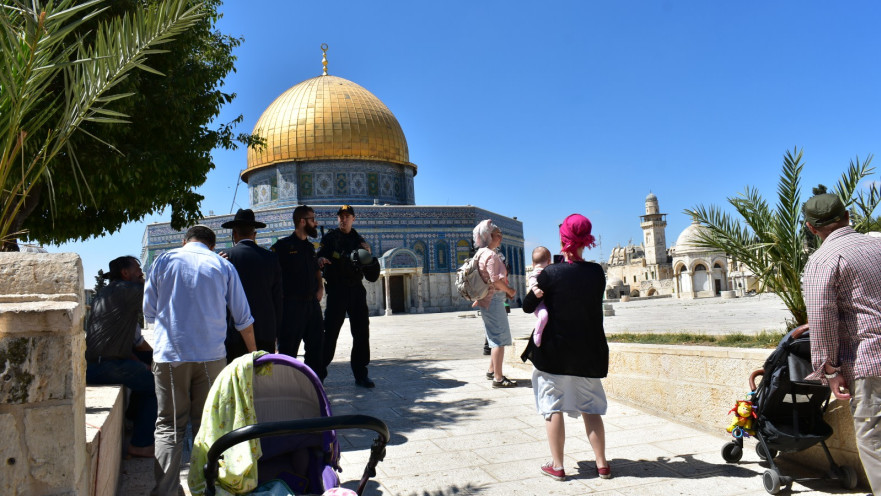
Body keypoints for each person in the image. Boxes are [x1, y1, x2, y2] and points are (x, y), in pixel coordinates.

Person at [143, 225, 257, 496]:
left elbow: (149, 311)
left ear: (185, 241)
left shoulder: (163, 261)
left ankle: (166, 491)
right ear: (212, 245)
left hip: (170, 356)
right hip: (211, 358)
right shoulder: (222, 265)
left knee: (169, 426)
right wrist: (254, 355)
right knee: (208, 424)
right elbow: (243, 318)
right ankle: (205, 488)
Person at [520, 214, 610, 481]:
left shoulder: (550, 274)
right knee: (591, 408)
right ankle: (602, 464)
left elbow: (527, 306)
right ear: (587, 240)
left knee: (553, 406)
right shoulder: (597, 273)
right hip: (588, 352)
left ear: (563, 240)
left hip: (554, 352)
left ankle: (558, 466)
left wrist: (536, 292)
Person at [802, 192, 881, 494]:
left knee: (874, 439)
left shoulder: (823, 260)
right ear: (847, 216)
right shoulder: (877, 245)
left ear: (811, 228)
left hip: (869, 360)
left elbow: (822, 321)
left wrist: (831, 371)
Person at [85, 256, 156, 458]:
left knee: (147, 366)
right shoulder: (128, 290)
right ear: (125, 273)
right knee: (154, 386)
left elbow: (127, 341)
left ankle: (133, 420)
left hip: (95, 365)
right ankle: (141, 444)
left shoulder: (105, 293)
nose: (141, 273)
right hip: (108, 366)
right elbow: (161, 292)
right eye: (138, 269)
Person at [318, 205, 380, 388]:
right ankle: (318, 374)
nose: (343, 219)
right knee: (330, 333)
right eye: (341, 216)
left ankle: (361, 374)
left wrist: (368, 256)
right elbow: (319, 256)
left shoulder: (359, 241)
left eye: (347, 216)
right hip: (337, 290)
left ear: (353, 219)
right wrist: (320, 260)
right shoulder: (329, 238)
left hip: (356, 290)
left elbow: (370, 273)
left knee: (361, 333)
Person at [220, 209, 283, 361]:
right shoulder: (271, 258)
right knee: (262, 372)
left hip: (234, 332)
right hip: (265, 330)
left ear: (234, 234)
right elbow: (278, 299)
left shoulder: (225, 258)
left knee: (237, 374)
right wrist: (276, 331)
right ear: (254, 235)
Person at [272, 205, 326, 380]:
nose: (315, 223)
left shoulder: (310, 247)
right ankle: (286, 385)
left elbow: (316, 270)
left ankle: (315, 384)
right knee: (288, 350)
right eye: (312, 219)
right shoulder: (282, 247)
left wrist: (320, 287)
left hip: (312, 305)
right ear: (302, 221)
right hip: (292, 306)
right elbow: (273, 273)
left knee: (316, 348)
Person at [472, 219, 518, 388]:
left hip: (486, 299)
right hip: (494, 299)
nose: (501, 238)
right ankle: (498, 378)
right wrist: (510, 291)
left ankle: (492, 370)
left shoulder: (479, 254)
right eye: (498, 235)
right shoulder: (491, 256)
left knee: (493, 336)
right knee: (499, 338)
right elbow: (495, 281)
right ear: (489, 236)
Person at [528, 246, 552, 346]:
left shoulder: (547, 271)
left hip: (546, 302)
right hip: (539, 305)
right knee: (543, 315)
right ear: (549, 261)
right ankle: (537, 334)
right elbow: (532, 280)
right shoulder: (537, 272)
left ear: (532, 263)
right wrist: (535, 290)